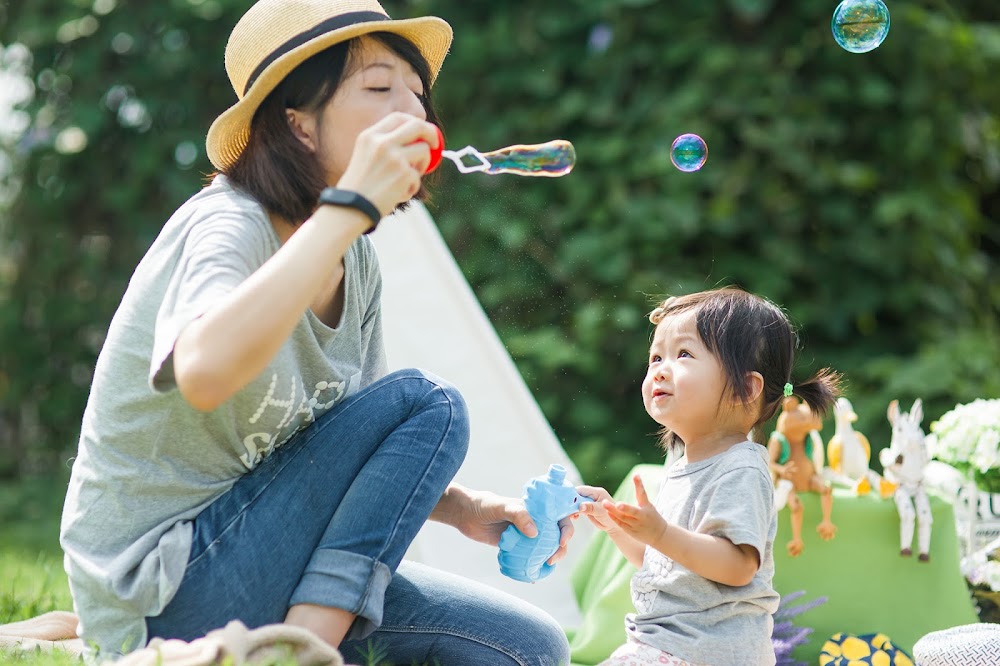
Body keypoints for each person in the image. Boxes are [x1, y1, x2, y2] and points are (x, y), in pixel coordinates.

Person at [59, 1, 573, 663]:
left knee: (528, 647)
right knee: (430, 402)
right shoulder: (226, 224)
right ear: (298, 125)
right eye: (381, 88)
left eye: (419, 94)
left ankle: (301, 641)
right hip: (164, 589)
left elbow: (354, 443)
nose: (414, 114)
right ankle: (302, 653)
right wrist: (350, 207)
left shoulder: (354, 258)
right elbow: (205, 372)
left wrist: (465, 508)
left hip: (264, 561)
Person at [576, 287, 841, 666]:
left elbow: (737, 566)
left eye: (683, 354)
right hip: (666, 647)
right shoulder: (680, 468)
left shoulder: (742, 468)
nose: (660, 369)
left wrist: (661, 533)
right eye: (655, 357)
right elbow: (665, 564)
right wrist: (617, 527)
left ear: (745, 389)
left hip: (706, 654)